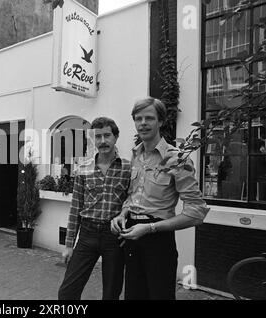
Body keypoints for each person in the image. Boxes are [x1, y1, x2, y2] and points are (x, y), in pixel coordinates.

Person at [111, 97, 210, 300]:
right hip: (131, 235)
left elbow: (196, 213)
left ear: (161, 121)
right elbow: (132, 197)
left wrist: (149, 228)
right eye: (138, 119)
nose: (143, 123)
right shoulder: (136, 156)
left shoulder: (177, 159)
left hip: (157, 239)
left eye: (149, 118)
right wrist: (122, 214)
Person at [58, 117, 131, 300]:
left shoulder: (128, 168)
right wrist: (68, 245)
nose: (103, 141)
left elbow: (132, 198)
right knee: (67, 293)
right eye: (98, 137)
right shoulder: (83, 168)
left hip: (114, 237)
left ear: (116, 137)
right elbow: (75, 209)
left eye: (107, 135)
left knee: (111, 293)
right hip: (87, 235)